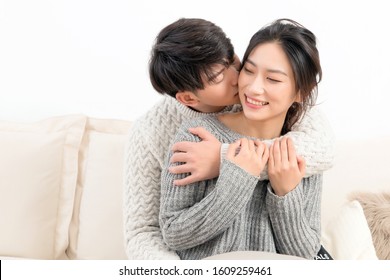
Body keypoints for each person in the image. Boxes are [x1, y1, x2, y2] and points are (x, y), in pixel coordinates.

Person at [123, 18, 334, 260]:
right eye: (217, 78)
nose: (242, 81)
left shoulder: (289, 129)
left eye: (234, 62)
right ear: (189, 99)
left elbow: (323, 148)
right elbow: (150, 232)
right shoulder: (166, 132)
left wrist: (224, 158)